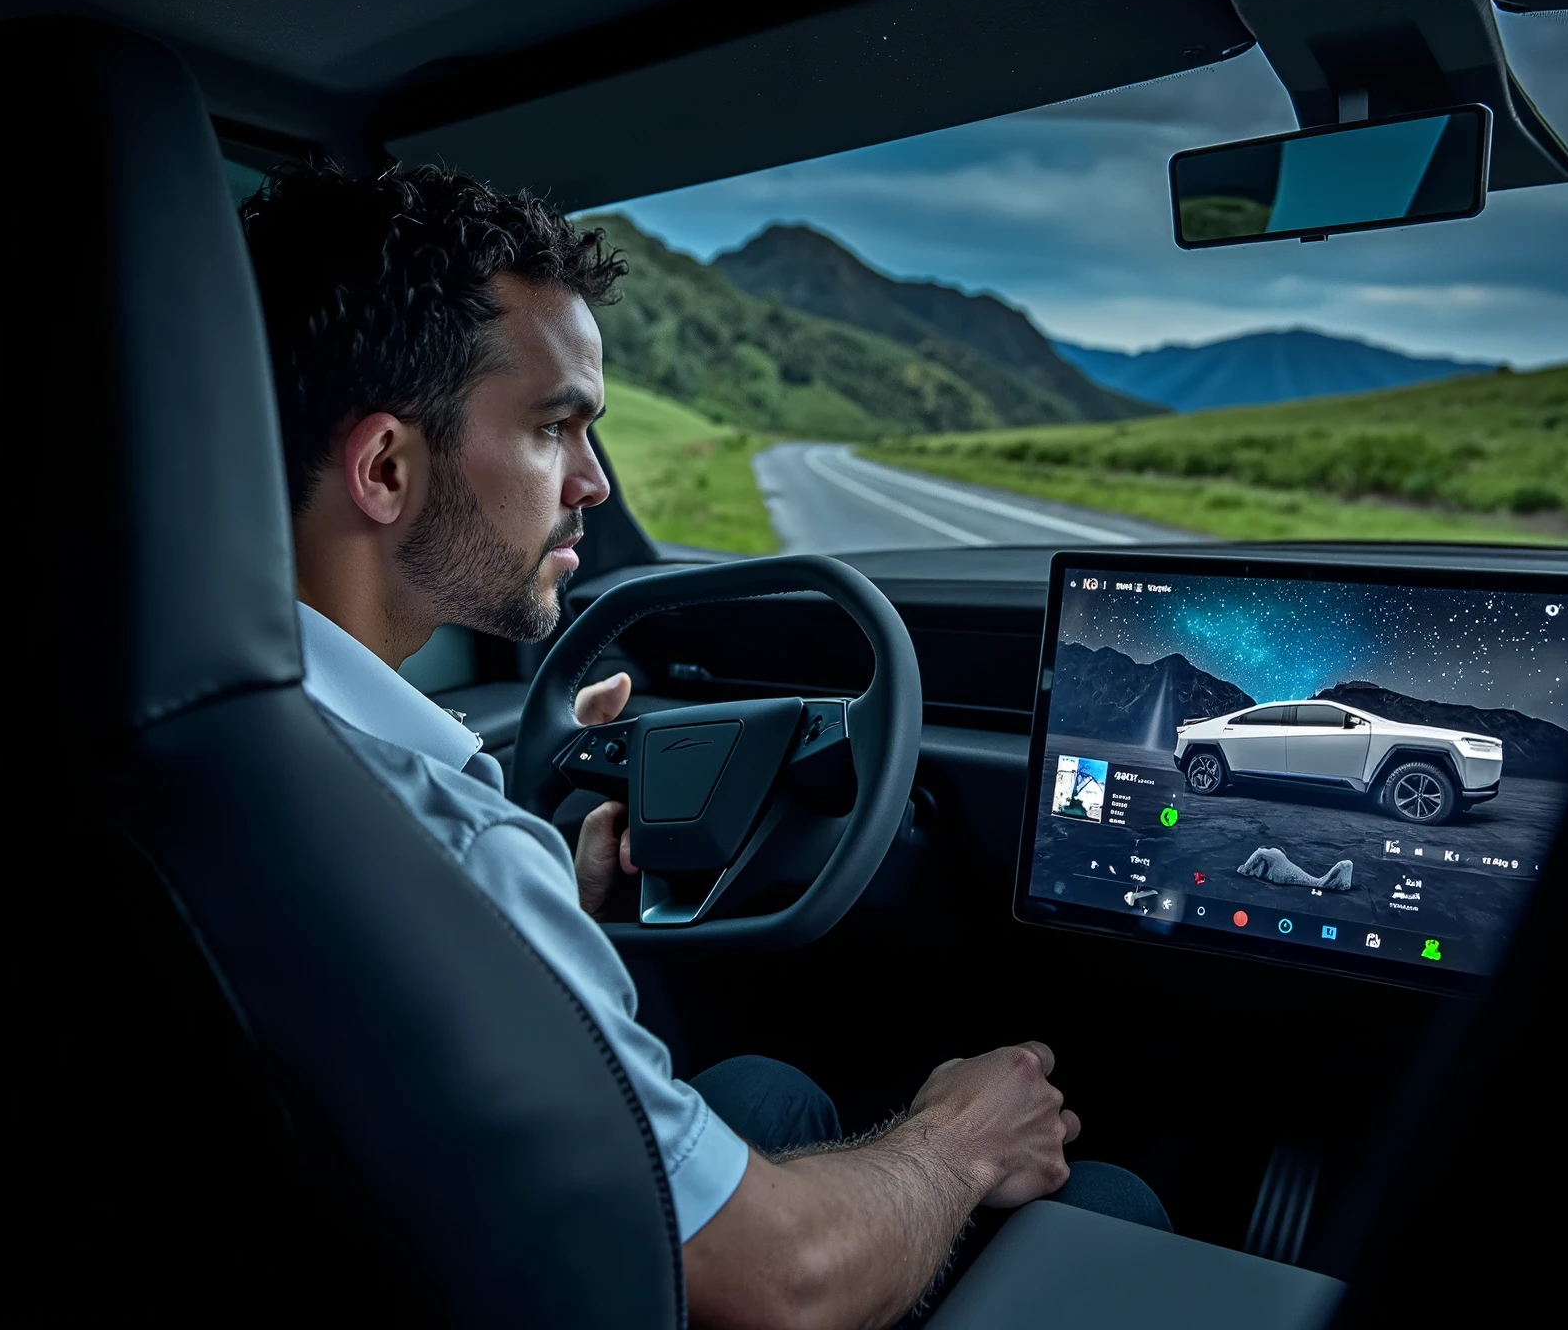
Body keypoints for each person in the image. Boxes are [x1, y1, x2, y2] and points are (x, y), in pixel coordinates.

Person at [241, 162, 1168, 1328]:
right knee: (1113, 1206)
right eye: (555, 426)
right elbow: (778, 1283)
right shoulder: (448, 842)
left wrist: (554, 915)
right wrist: (961, 1139)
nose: (593, 483)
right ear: (384, 467)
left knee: (765, 1094)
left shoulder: (207, 740)